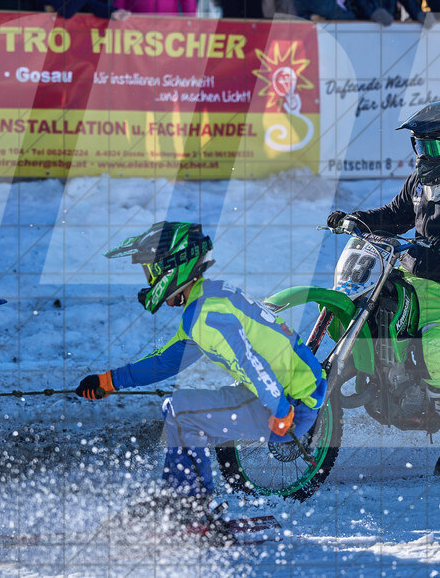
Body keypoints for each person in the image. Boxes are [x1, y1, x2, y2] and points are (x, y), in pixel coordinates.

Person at [75, 222, 326, 523]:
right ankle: (181, 500)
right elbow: (168, 361)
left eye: (151, 272)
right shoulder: (207, 300)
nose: (149, 281)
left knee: (182, 413)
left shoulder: (207, 315)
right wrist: (109, 381)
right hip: (281, 394)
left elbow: (250, 360)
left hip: (291, 406)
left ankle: (191, 508)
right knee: (178, 408)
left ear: (173, 267)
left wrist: (281, 409)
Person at [326, 101, 440, 476]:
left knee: (434, 348)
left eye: (434, 147)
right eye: (419, 146)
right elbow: (393, 216)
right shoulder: (421, 182)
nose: (425, 154)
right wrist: (355, 218)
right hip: (409, 274)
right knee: (365, 307)